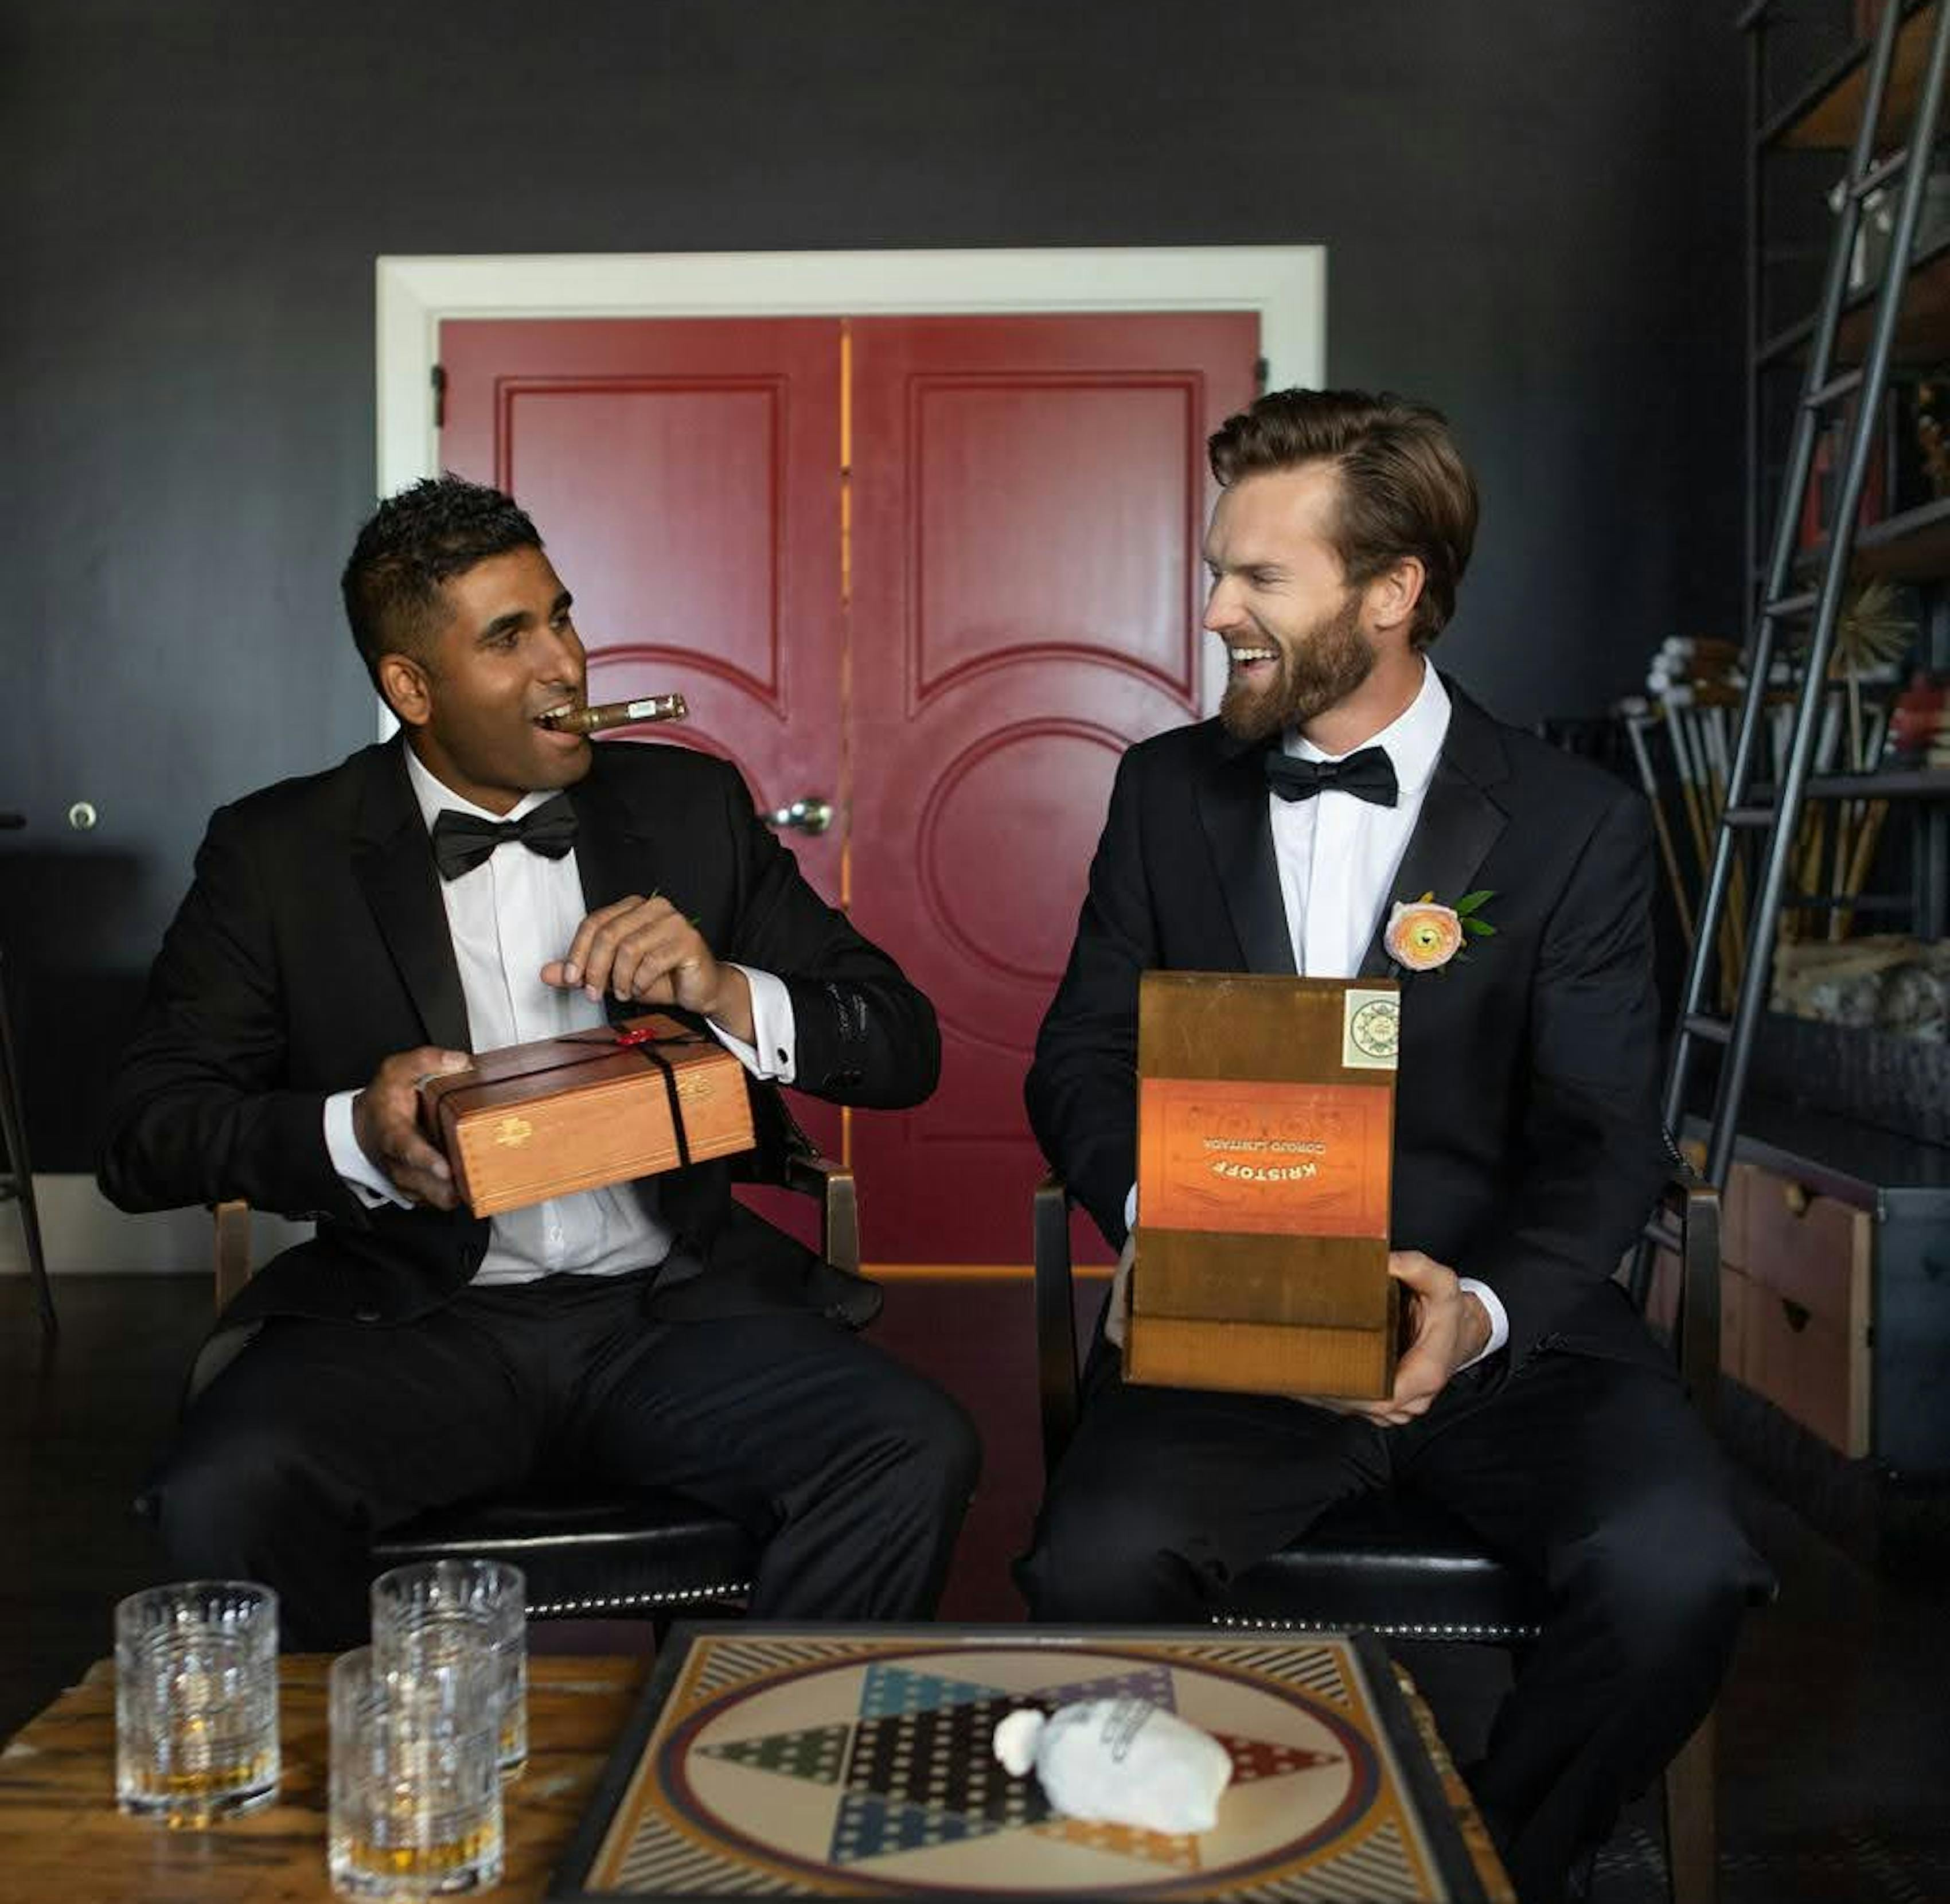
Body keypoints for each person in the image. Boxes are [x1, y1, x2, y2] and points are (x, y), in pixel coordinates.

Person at [1016, 388, 1769, 1902]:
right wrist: (1168, 1211)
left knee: (1684, 1574)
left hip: (1513, 1336)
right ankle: (1175, 1867)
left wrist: (1479, 1313)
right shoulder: (1164, 791)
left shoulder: (1575, 824)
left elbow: (1609, 1137)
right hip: (1230, 1333)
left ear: (1394, 590)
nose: (1216, 607)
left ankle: (1477, 1865)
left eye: (1258, 579)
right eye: (1219, 568)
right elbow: (1081, 1055)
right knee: (1083, 1576)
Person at [99, 474, 978, 1649]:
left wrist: (723, 988)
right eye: (509, 638)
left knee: (913, 1445)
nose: (565, 664)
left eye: (561, 616)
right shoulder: (278, 852)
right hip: (417, 1327)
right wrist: (356, 1130)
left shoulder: (691, 805)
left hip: (671, 1312)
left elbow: (901, 1043)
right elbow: (145, 1131)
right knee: (221, 1493)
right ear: (410, 685)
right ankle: (381, 1780)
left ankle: (752, 1764)